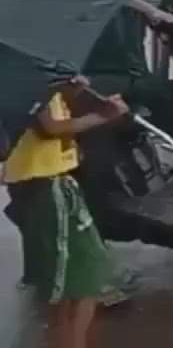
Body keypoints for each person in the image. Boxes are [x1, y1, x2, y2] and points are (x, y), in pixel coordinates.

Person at [3, 76, 129, 348]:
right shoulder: (23, 77)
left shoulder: (42, 76)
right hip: (43, 185)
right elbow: (50, 127)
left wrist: (71, 91)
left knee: (77, 277)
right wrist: (103, 115)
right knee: (77, 277)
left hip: (54, 180)